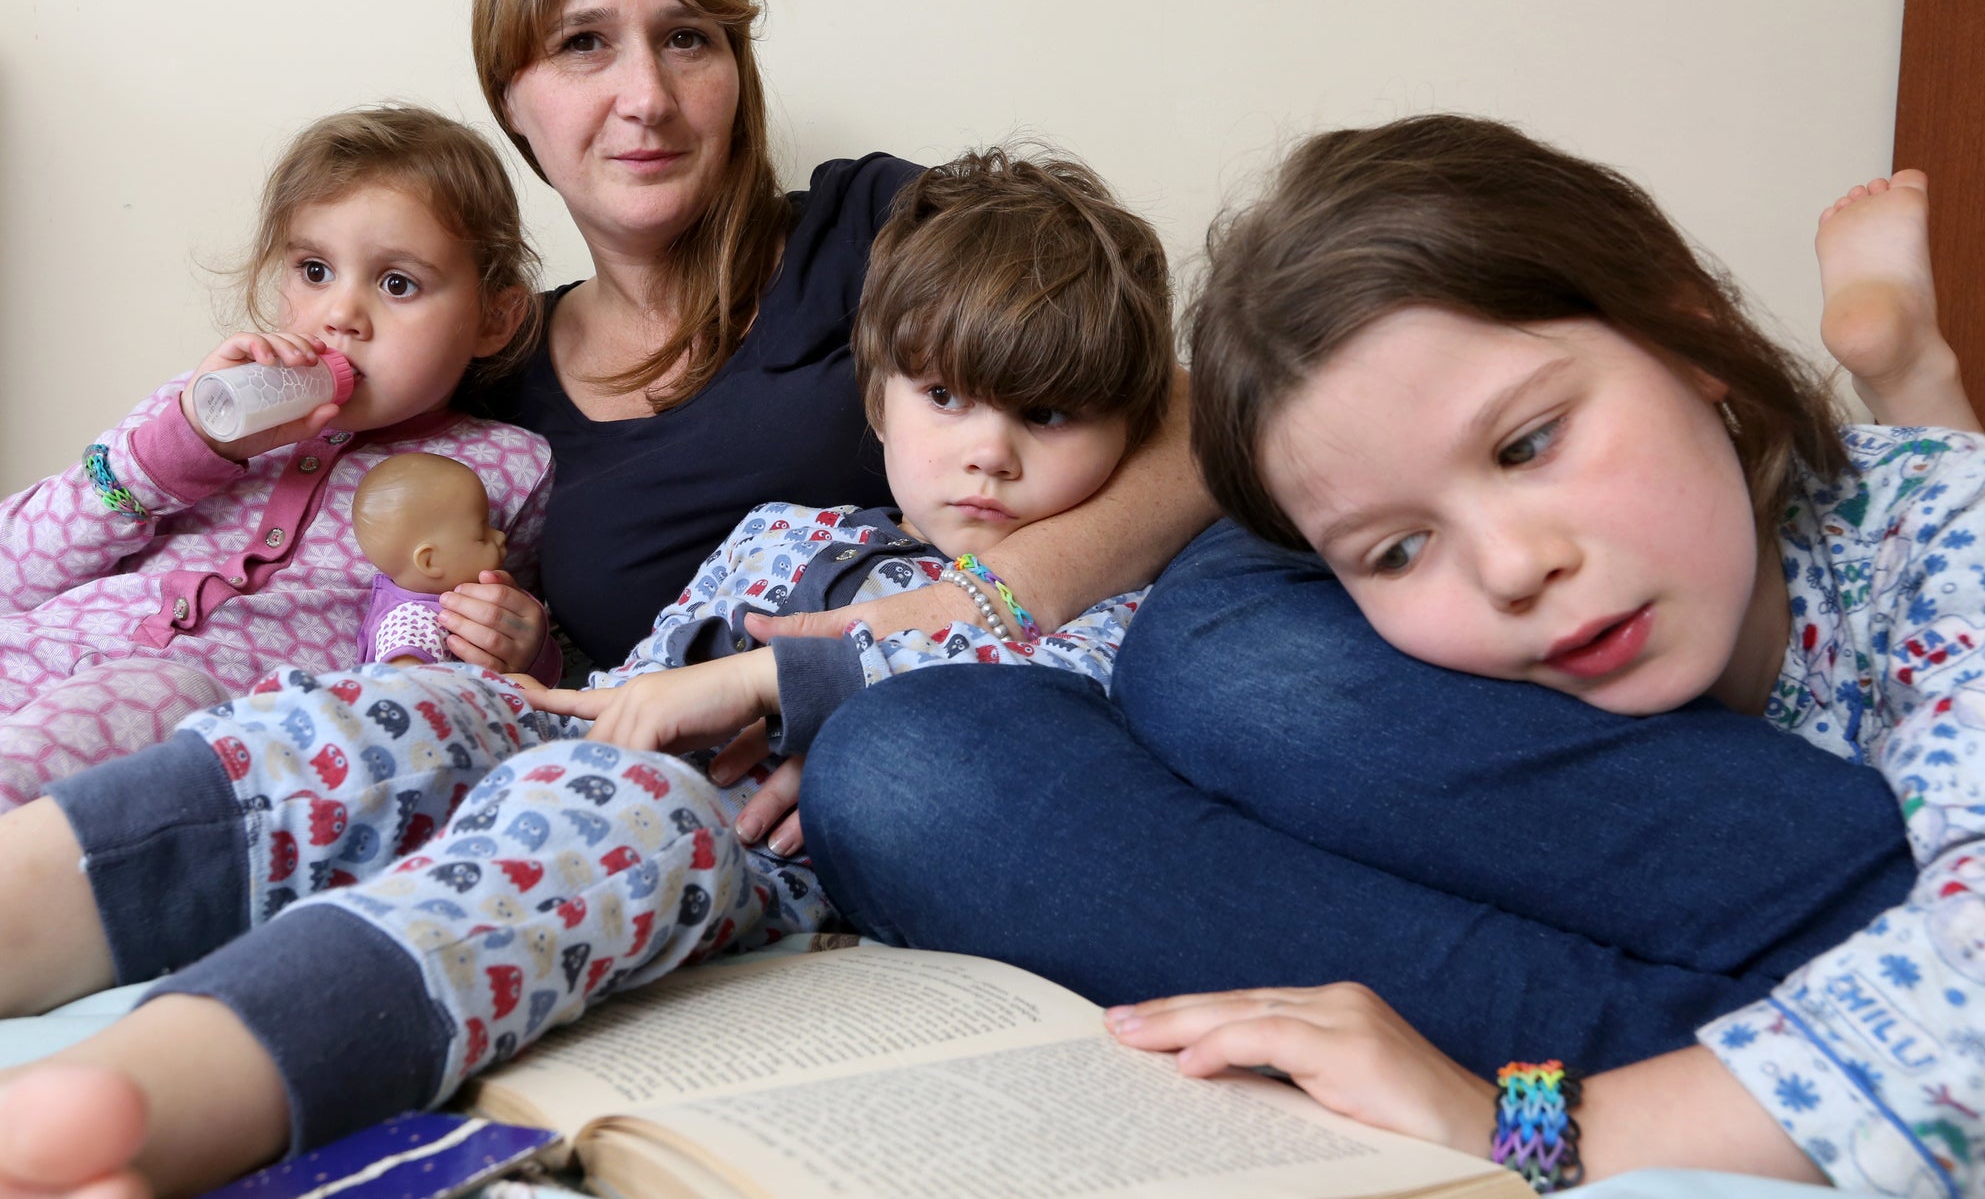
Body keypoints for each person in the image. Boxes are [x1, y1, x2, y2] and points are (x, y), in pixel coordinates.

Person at [0, 145, 1177, 1198]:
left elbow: (1025, 710)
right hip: (582, 737)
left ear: (1133, 431)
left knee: (620, 809)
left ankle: (152, 1100)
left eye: (1053, 413)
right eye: (944, 397)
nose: (986, 450)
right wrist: (527, 681)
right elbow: (627, 676)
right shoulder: (783, 532)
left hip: (731, 858)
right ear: (877, 398)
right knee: (407, 712)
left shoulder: (1105, 605)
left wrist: (785, 696)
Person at [1089, 118, 1985, 1197]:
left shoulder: (1980, 541)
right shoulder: (1426, 652)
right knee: (924, 755)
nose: (1508, 569)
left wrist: (1511, 1123)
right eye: (1396, 549)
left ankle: (1908, 370)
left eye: (1527, 444)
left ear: (1691, 335)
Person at [454, 0, 1212, 681]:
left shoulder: (877, 228)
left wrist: (948, 618)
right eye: (584, 42)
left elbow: (1201, 417)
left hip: (984, 702)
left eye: (686, 38)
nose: (648, 96)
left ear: (736, 68)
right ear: (509, 99)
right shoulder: (487, 371)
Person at [0, 106, 557, 808]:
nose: (341, 314)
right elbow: (12, 566)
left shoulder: (504, 464)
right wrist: (177, 447)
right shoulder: (209, 404)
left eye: (396, 283)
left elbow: (479, 666)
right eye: (315, 269)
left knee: (148, 697)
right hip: (32, 650)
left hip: (198, 722)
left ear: (495, 318)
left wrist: (525, 644)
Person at [351, 454, 513, 669]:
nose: (500, 536)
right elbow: (403, 687)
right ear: (430, 562)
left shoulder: (455, 602)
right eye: (481, 535)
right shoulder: (412, 621)